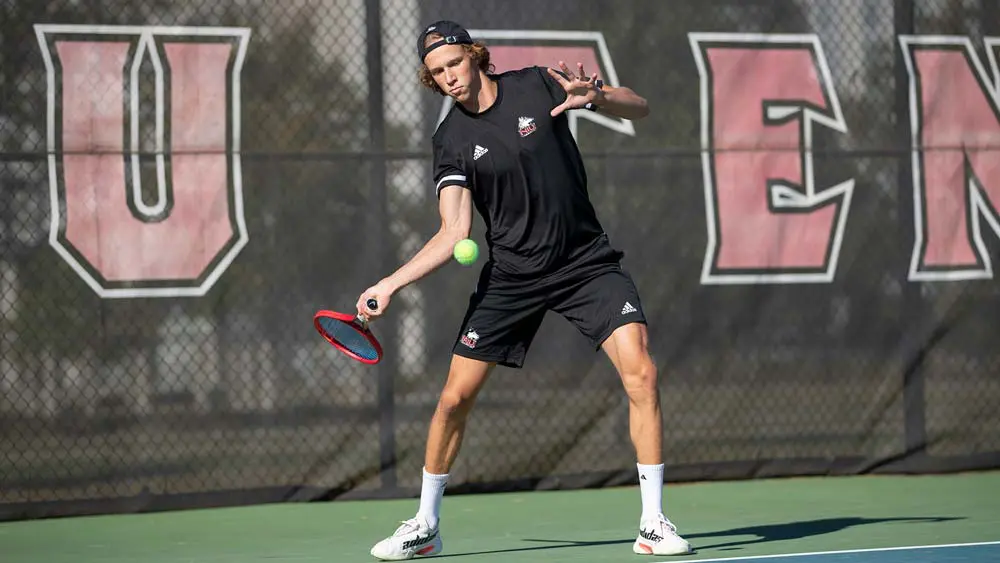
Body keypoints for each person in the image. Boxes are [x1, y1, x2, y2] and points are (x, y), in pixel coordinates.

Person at [356, 20, 692, 559]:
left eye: (455, 64)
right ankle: (425, 525)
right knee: (452, 399)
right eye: (438, 73)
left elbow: (641, 107)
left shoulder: (537, 84)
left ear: (474, 56)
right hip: (513, 277)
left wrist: (598, 97)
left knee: (642, 372)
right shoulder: (451, 141)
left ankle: (653, 524)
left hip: (585, 262)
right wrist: (390, 283)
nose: (450, 78)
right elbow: (453, 233)